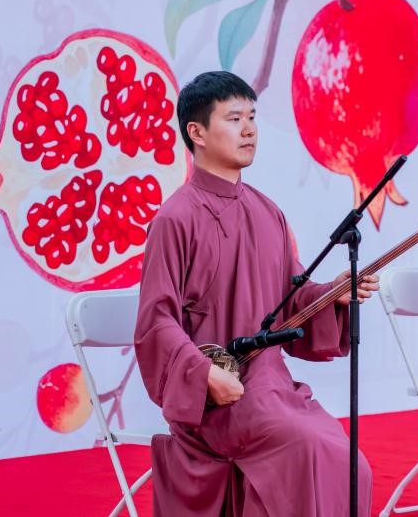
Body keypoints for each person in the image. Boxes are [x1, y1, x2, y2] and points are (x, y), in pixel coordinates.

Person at [134, 71, 378, 516]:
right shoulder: (175, 219)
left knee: (350, 465)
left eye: (252, 117)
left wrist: (334, 294)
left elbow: (290, 300)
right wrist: (204, 375)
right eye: (233, 119)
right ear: (197, 132)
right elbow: (156, 321)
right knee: (311, 452)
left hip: (272, 387)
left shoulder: (268, 212)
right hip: (221, 400)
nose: (248, 130)